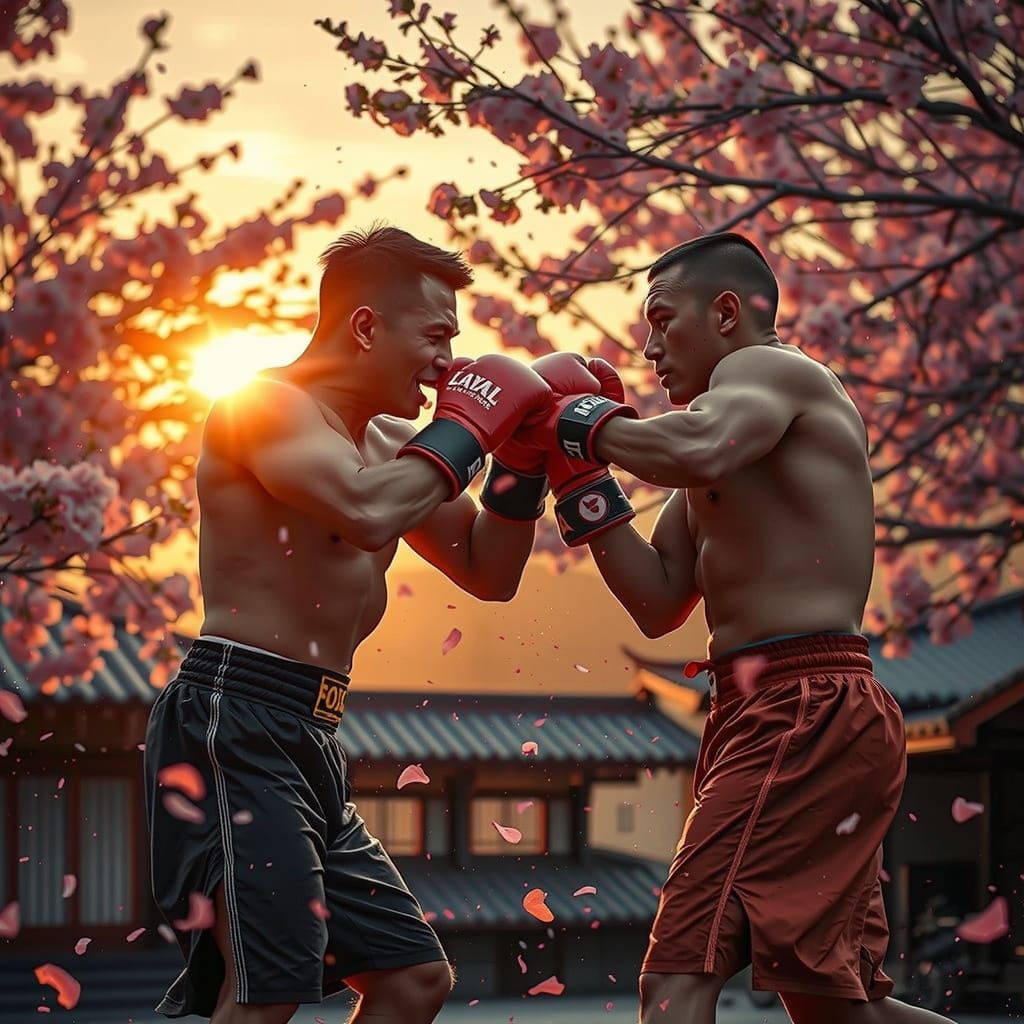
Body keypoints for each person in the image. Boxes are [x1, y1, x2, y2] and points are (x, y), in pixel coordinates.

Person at [514, 232, 957, 1024]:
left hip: (802, 705)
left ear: (726, 312)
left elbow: (699, 443)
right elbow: (657, 602)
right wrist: (578, 476)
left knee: (676, 979)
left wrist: (573, 421)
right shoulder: (710, 463)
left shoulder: (768, 370)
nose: (647, 347)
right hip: (777, 710)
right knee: (830, 1007)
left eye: (661, 319)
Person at [143, 225, 563, 1024]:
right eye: (436, 335)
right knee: (266, 991)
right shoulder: (261, 406)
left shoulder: (393, 444)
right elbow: (366, 511)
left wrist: (522, 463)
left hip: (313, 734)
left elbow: (489, 570)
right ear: (366, 326)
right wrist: (473, 426)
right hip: (236, 717)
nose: (449, 362)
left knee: (411, 980)